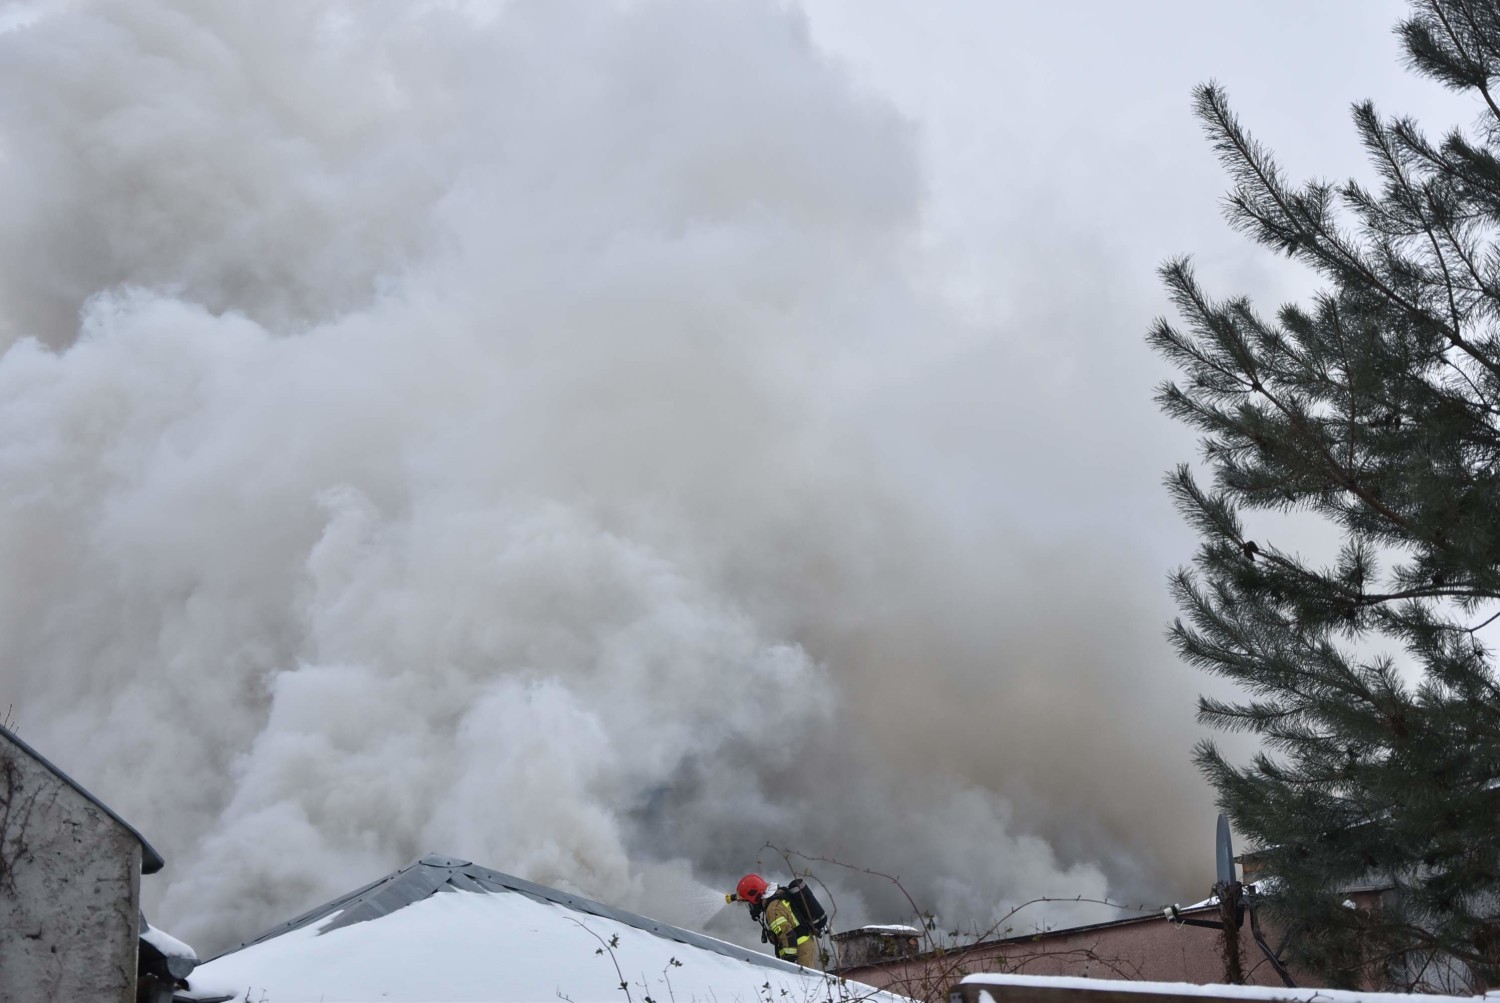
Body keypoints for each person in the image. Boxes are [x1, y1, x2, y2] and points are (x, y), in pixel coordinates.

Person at [731, 873, 820, 969]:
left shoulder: (772, 910)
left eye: (749, 903)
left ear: (755, 896)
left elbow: (788, 935)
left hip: (801, 951)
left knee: (804, 977)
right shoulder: (776, 895)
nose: (750, 907)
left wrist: (789, 961)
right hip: (803, 946)